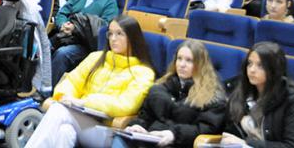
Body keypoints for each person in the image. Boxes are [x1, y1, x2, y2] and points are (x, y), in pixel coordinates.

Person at [26, 16, 154, 148]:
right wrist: (65, 96)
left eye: (119, 34)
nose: (113, 39)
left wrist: (85, 102)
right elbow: (72, 80)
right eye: (110, 33)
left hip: (108, 130)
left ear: (132, 38)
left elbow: (126, 104)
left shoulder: (143, 72)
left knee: (58, 110)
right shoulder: (96, 57)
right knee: (65, 132)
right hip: (80, 117)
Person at [84, 39, 226, 148]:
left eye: (189, 61)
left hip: (179, 143)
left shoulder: (212, 95)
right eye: (179, 59)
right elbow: (145, 116)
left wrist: (174, 134)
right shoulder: (161, 86)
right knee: (120, 139)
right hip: (150, 138)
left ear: (200, 65)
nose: (182, 64)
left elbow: (207, 129)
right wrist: (137, 125)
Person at [221, 42, 294, 147]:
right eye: (250, 63)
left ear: (274, 70)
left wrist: (247, 143)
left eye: (260, 65)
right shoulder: (241, 91)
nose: (252, 70)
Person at [51, 0, 119, 86]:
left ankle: (48, 91)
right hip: (65, 35)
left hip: (87, 44)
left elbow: (104, 28)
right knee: (43, 45)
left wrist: (75, 29)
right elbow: (62, 12)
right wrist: (62, 25)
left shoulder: (110, 2)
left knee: (63, 53)